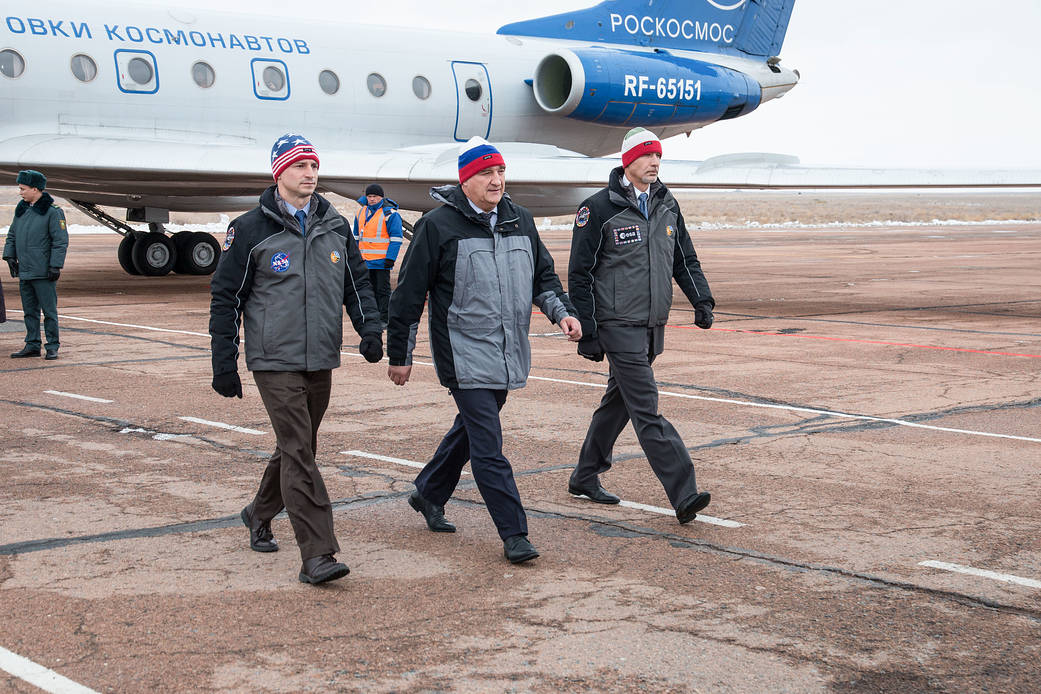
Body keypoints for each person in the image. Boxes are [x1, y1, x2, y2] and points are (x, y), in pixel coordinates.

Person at [386, 137, 582, 564]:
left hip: (508, 349)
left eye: (500, 172)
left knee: (473, 430)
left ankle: (429, 492)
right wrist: (400, 355)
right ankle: (514, 533)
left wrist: (560, 313)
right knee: (488, 445)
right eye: (486, 174)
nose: (496, 181)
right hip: (462, 350)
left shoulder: (520, 220)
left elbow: (542, 278)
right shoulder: (437, 226)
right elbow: (407, 296)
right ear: (466, 181)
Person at [209, 134, 384, 585]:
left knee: (300, 447)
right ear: (278, 173)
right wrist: (223, 361)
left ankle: (258, 512)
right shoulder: (250, 230)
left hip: (321, 354)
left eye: (314, 166)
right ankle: (318, 554)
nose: (310, 174)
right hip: (273, 358)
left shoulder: (335, 225)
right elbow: (225, 298)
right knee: (299, 450)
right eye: (300, 166)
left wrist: (368, 328)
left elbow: (356, 283)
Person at [567, 127, 715, 524]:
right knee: (646, 408)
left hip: (652, 323)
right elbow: (579, 274)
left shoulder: (667, 204)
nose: (654, 163)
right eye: (647, 157)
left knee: (618, 403)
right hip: (617, 323)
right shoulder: (598, 208)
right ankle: (683, 492)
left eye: (659, 157)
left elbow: (685, 258)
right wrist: (590, 330)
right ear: (627, 161)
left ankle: (584, 476)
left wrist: (701, 299)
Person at [4, 170, 68, 360]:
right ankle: (32, 344)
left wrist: (55, 266)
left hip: (43, 272)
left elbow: (60, 241)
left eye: (23, 188)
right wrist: (9, 257)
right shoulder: (22, 210)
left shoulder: (53, 212)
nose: (20, 192)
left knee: (49, 312)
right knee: (29, 312)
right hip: (25, 271)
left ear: (35, 188)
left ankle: (52, 346)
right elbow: (12, 235)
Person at [352, 183, 403, 328]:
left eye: (375, 196)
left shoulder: (390, 214)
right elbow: (356, 238)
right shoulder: (360, 213)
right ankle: (372, 317)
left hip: (381, 261)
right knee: (368, 291)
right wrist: (355, 257)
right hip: (365, 261)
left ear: (381, 197)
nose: (372, 199)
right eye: (369, 196)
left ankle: (384, 318)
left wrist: (390, 258)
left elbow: (396, 238)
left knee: (383, 291)